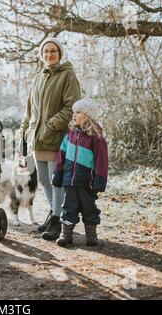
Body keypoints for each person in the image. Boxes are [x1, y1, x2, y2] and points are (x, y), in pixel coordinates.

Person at [19, 36, 81, 240]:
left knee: (57, 181)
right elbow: (30, 110)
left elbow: (71, 107)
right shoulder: (38, 78)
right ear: (41, 55)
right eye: (45, 51)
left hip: (56, 137)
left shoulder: (67, 75)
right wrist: (24, 132)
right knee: (45, 181)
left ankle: (58, 219)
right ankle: (55, 215)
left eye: (53, 50)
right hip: (37, 139)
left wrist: (50, 126)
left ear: (60, 53)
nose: (49, 54)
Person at [52, 98, 108, 247]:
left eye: (78, 112)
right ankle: (66, 235)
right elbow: (61, 158)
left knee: (89, 209)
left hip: (87, 183)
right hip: (69, 181)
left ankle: (91, 235)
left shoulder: (96, 138)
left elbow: (102, 161)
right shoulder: (69, 137)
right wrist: (58, 174)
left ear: (88, 115)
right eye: (73, 112)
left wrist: (100, 179)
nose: (73, 115)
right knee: (68, 208)